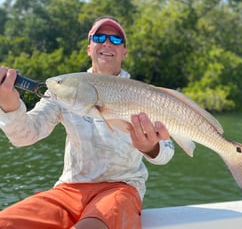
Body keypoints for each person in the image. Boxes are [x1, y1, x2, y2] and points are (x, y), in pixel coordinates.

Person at [0, 16, 175, 229]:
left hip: (121, 187)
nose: (107, 43)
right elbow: (25, 135)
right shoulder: (64, 88)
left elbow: (167, 152)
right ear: (89, 48)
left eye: (116, 40)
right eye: (99, 37)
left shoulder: (145, 94)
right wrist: (9, 105)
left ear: (124, 52)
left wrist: (152, 147)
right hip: (69, 189)